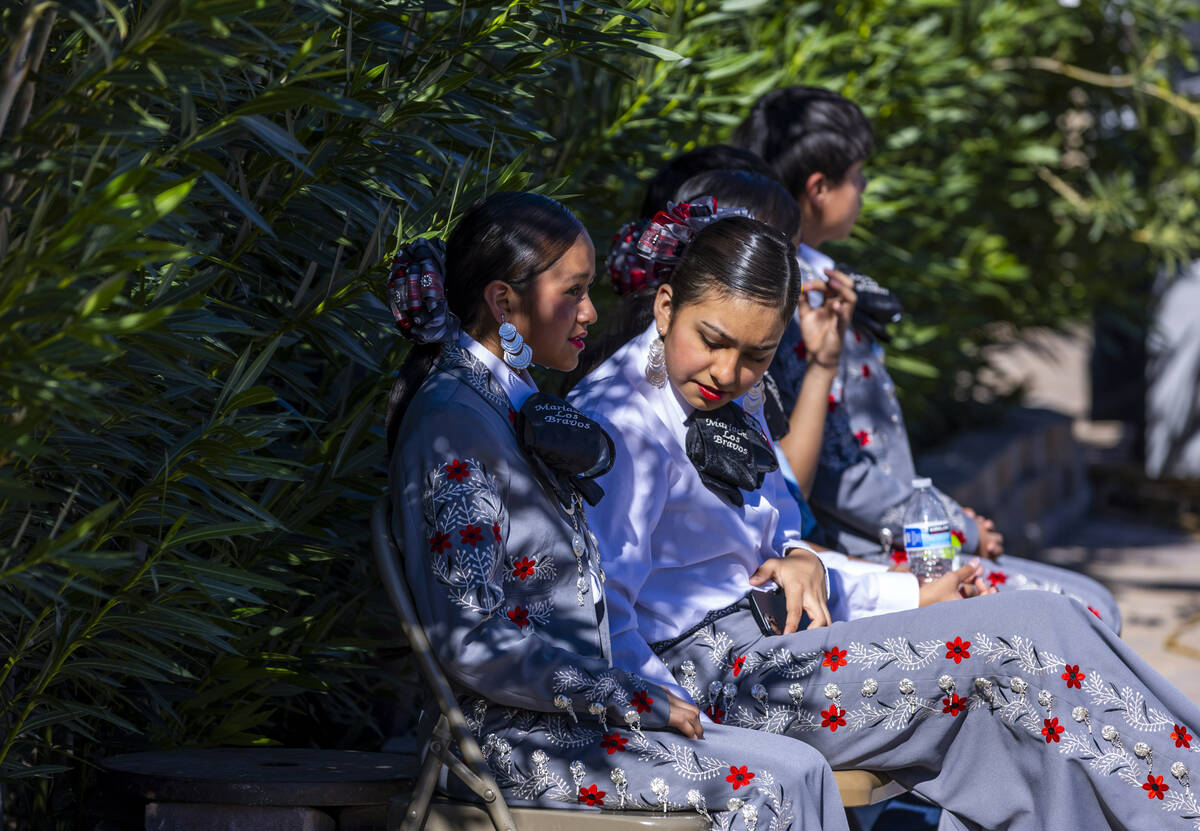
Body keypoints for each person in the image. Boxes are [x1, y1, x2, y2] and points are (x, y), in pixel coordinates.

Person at [570, 213, 1200, 831]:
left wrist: (799, 556)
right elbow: (603, 611)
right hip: (718, 684)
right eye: (713, 341)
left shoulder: (728, 393)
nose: (729, 372)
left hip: (775, 647)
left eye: (757, 355)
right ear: (663, 306)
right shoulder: (619, 421)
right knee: (1032, 632)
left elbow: (774, 523)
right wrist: (675, 718)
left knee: (1010, 737)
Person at [385, 191, 849, 830]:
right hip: (509, 738)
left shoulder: (503, 405)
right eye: (573, 292)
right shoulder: (453, 423)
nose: (590, 312)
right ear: (503, 301)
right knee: (770, 783)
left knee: (800, 768)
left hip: (572, 717)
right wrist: (622, 692)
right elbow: (467, 636)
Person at [732, 86, 1121, 628]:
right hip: (858, 551)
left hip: (882, 542)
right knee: (1085, 611)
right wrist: (955, 526)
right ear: (819, 188)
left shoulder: (823, 284)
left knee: (1085, 601)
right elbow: (835, 476)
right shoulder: (798, 299)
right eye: (859, 175)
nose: (864, 189)